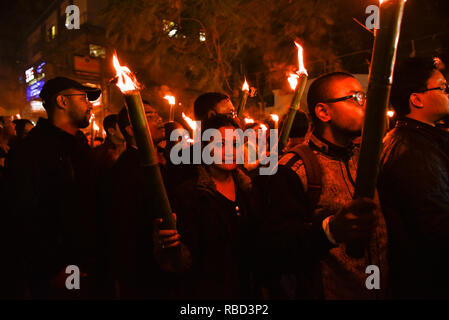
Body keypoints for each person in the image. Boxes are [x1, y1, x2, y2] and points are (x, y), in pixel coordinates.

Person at [252, 72, 388, 299]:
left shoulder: (367, 158)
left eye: (364, 97)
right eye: (355, 98)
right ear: (323, 112)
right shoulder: (293, 169)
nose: (364, 106)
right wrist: (330, 231)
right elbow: (276, 248)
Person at [3, 77, 106, 299]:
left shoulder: (80, 147)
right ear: (62, 101)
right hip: (61, 267)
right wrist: (51, 268)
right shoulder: (31, 151)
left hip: (91, 260)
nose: (90, 105)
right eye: (84, 98)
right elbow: (24, 214)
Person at [154, 115, 254, 299]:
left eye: (235, 144)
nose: (230, 151)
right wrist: (169, 244)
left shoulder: (250, 190)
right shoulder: (189, 195)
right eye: (221, 144)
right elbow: (180, 260)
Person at [378, 57, 449, 299]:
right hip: (428, 281)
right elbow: (436, 224)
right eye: (441, 87)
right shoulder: (411, 151)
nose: (447, 92)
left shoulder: (421, 139)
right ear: (416, 98)